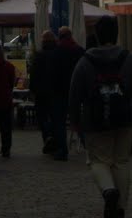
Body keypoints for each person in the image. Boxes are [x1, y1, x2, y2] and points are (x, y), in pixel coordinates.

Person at [69, 15, 132, 218]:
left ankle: (108, 191)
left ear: (96, 35)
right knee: (121, 161)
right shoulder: (129, 59)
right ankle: (120, 207)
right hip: (126, 118)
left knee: (98, 161)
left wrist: (75, 120)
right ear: (116, 34)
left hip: (95, 120)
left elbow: (74, 94)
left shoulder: (85, 62)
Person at [49, 25, 85, 161]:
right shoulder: (79, 51)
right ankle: (88, 145)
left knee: (60, 122)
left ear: (60, 36)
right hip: (78, 92)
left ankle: (62, 150)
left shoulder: (56, 52)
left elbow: (52, 74)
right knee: (79, 119)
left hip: (60, 92)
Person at [30, 30, 58, 152]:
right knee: (54, 116)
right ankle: (53, 137)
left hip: (41, 92)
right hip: (56, 91)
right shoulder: (58, 54)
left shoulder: (38, 55)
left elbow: (33, 74)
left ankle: (47, 136)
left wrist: (33, 90)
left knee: (42, 117)